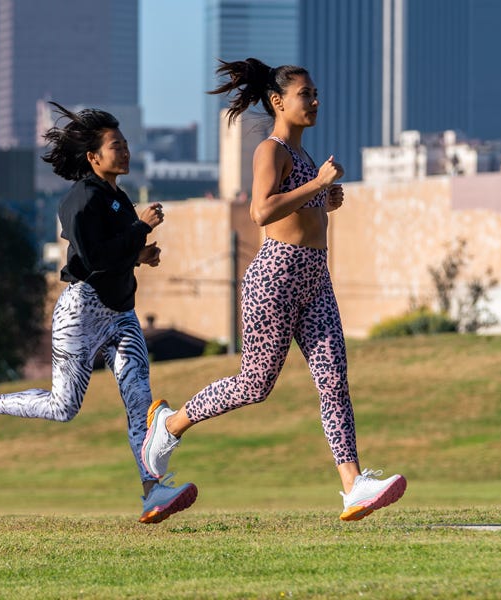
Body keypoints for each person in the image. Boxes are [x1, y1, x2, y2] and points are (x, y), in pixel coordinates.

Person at [139, 59, 406, 521]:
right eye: (307, 94)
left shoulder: (303, 156)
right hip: (275, 277)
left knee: (334, 379)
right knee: (255, 384)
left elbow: (299, 209)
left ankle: (353, 485)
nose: (316, 101)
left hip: (315, 277)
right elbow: (261, 212)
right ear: (279, 101)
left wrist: (327, 200)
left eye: (316, 92)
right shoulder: (272, 149)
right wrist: (320, 185)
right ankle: (171, 423)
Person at [0, 102, 197, 524]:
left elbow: (111, 253)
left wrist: (138, 255)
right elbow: (92, 258)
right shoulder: (80, 199)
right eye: (116, 145)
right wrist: (140, 229)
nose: (126, 151)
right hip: (81, 311)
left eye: (125, 143)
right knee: (64, 408)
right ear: (93, 157)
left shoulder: (116, 196)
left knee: (141, 404)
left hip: (120, 314)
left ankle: (153, 491)